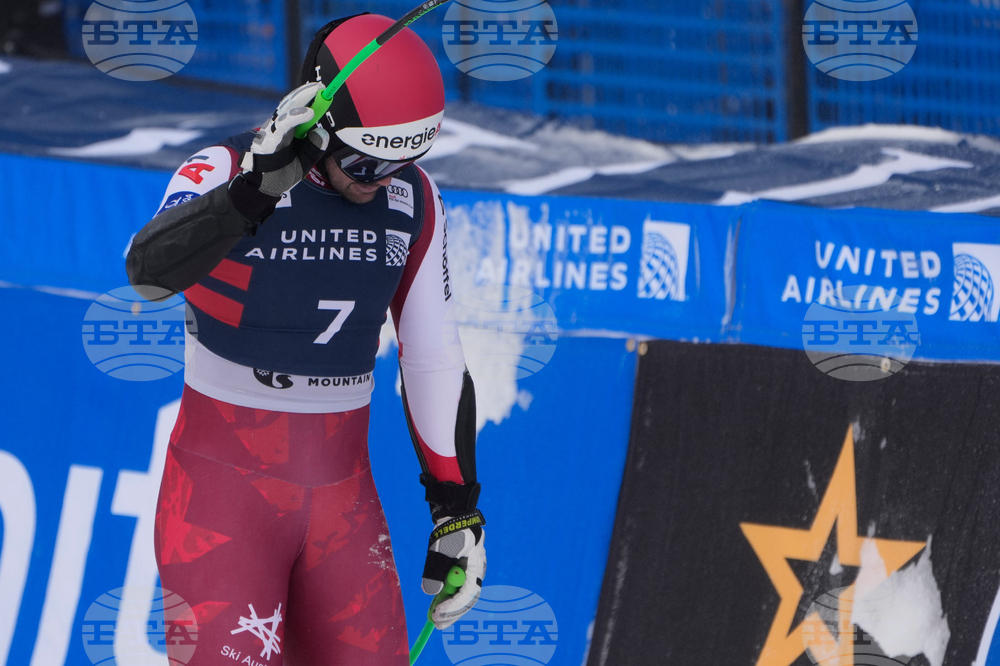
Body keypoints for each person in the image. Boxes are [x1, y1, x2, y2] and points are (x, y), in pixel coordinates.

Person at [126, 13, 485, 665]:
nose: (378, 178)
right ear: (315, 120)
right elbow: (147, 274)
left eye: (404, 158)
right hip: (223, 494)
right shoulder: (224, 166)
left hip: (341, 499)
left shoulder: (415, 197)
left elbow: (432, 354)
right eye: (362, 158)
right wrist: (246, 197)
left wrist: (455, 509)